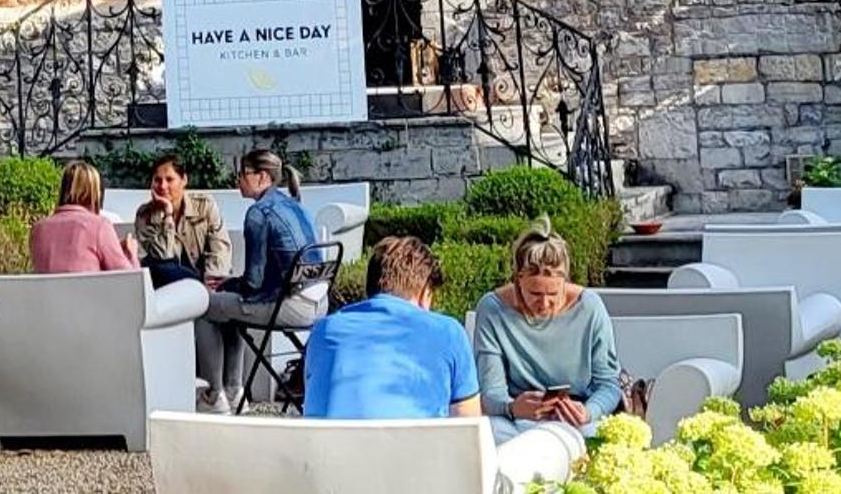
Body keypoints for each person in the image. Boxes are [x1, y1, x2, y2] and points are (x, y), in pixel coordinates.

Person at [470, 220, 620, 487]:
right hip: (515, 422)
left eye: (553, 293)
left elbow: (609, 385)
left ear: (566, 281)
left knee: (601, 443)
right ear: (517, 280)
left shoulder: (590, 308)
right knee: (488, 437)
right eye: (534, 293)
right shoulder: (492, 310)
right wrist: (513, 407)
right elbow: (490, 393)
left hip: (577, 422)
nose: (545, 303)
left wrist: (588, 411)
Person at [191, 148, 326, 412]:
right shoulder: (294, 204)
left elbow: (253, 284)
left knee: (206, 307)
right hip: (318, 302)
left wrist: (226, 284)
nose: (238, 180)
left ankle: (215, 395)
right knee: (229, 306)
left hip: (288, 305)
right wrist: (231, 286)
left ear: (262, 177)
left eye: (243, 174)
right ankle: (234, 392)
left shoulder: (258, 214)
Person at [302, 235, 481, 420]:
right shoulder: (449, 333)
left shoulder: (323, 331)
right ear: (424, 293)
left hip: (330, 440)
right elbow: (468, 423)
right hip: (417, 439)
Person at [133, 156, 229, 290]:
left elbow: (220, 249)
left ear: (184, 180)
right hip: (167, 285)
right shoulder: (145, 215)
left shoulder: (204, 206)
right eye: (157, 180)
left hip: (203, 284)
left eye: (169, 179)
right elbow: (165, 258)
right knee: (161, 266)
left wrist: (210, 283)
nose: (162, 186)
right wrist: (167, 214)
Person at [29, 161, 132, 273]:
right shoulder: (99, 226)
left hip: (49, 286)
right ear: (94, 193)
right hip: (88, 285)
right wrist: (131, 254)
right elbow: (129, 278)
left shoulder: (38, 229)